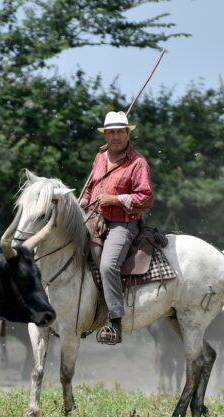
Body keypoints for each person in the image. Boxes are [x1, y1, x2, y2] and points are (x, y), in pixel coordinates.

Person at [78, 111, 154, 345]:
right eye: (111, 132)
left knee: (108, 265)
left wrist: (116, 199)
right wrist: (82, 203)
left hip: (123, 224)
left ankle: (114, 322)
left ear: (128, 133)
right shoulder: (100, 156)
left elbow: (146, 197)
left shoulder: (138, 163)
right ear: (106, 135)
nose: (115, 136)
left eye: (120, 131)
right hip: (95, 218)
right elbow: (91, 188)